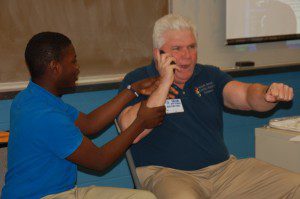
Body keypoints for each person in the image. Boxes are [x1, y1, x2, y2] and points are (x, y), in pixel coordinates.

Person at [118, 14, 300, 199]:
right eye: (177, 48)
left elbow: (246, 95)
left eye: (192, 47)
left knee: (296, 185)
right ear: (158, 54)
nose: (187, 55)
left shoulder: (209, 76)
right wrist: (164, 84)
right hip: (167, 175)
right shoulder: (137, 80)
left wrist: (268, 93)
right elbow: (129, 131)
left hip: (224, 171)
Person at [1, 32, 167, 199]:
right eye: (73, 61)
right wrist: (140, 123)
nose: (77, 67)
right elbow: (99, 160)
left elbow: (90, 123)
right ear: (55, 67)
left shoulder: (31, 98)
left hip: (61, 192)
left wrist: (134, 89)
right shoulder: (45, 116)